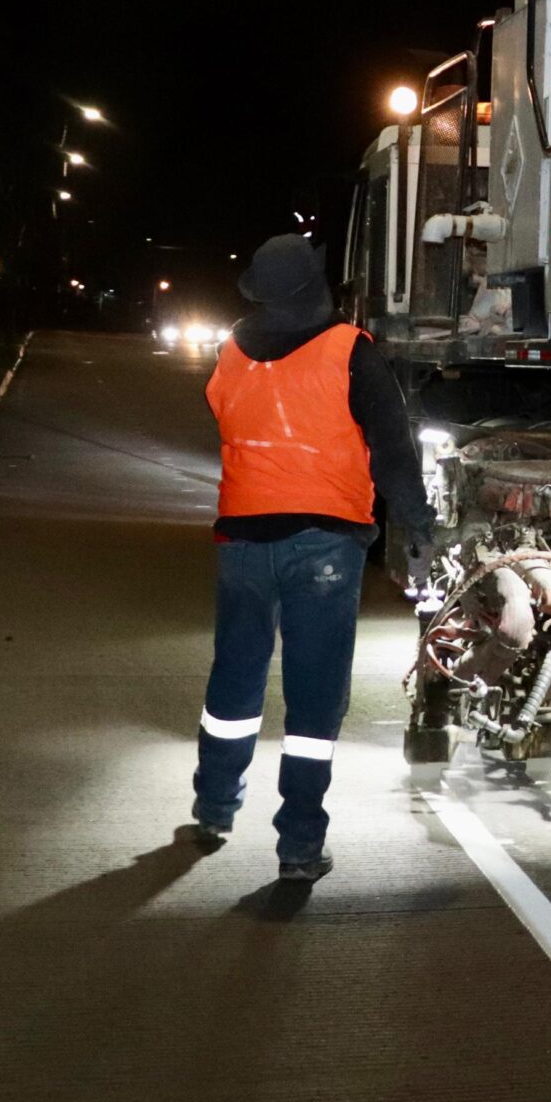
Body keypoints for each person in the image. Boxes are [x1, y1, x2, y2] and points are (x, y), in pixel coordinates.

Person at [192, 232, 434, 887]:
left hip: (242, 540)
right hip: (324, 543)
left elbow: (222, 412)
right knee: (314, 697)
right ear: (316, 286)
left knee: (234, 678)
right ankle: (299, 844)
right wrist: (417, 525)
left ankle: (214, 806)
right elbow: (392, 449)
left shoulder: (231, 350)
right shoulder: (350, 350)